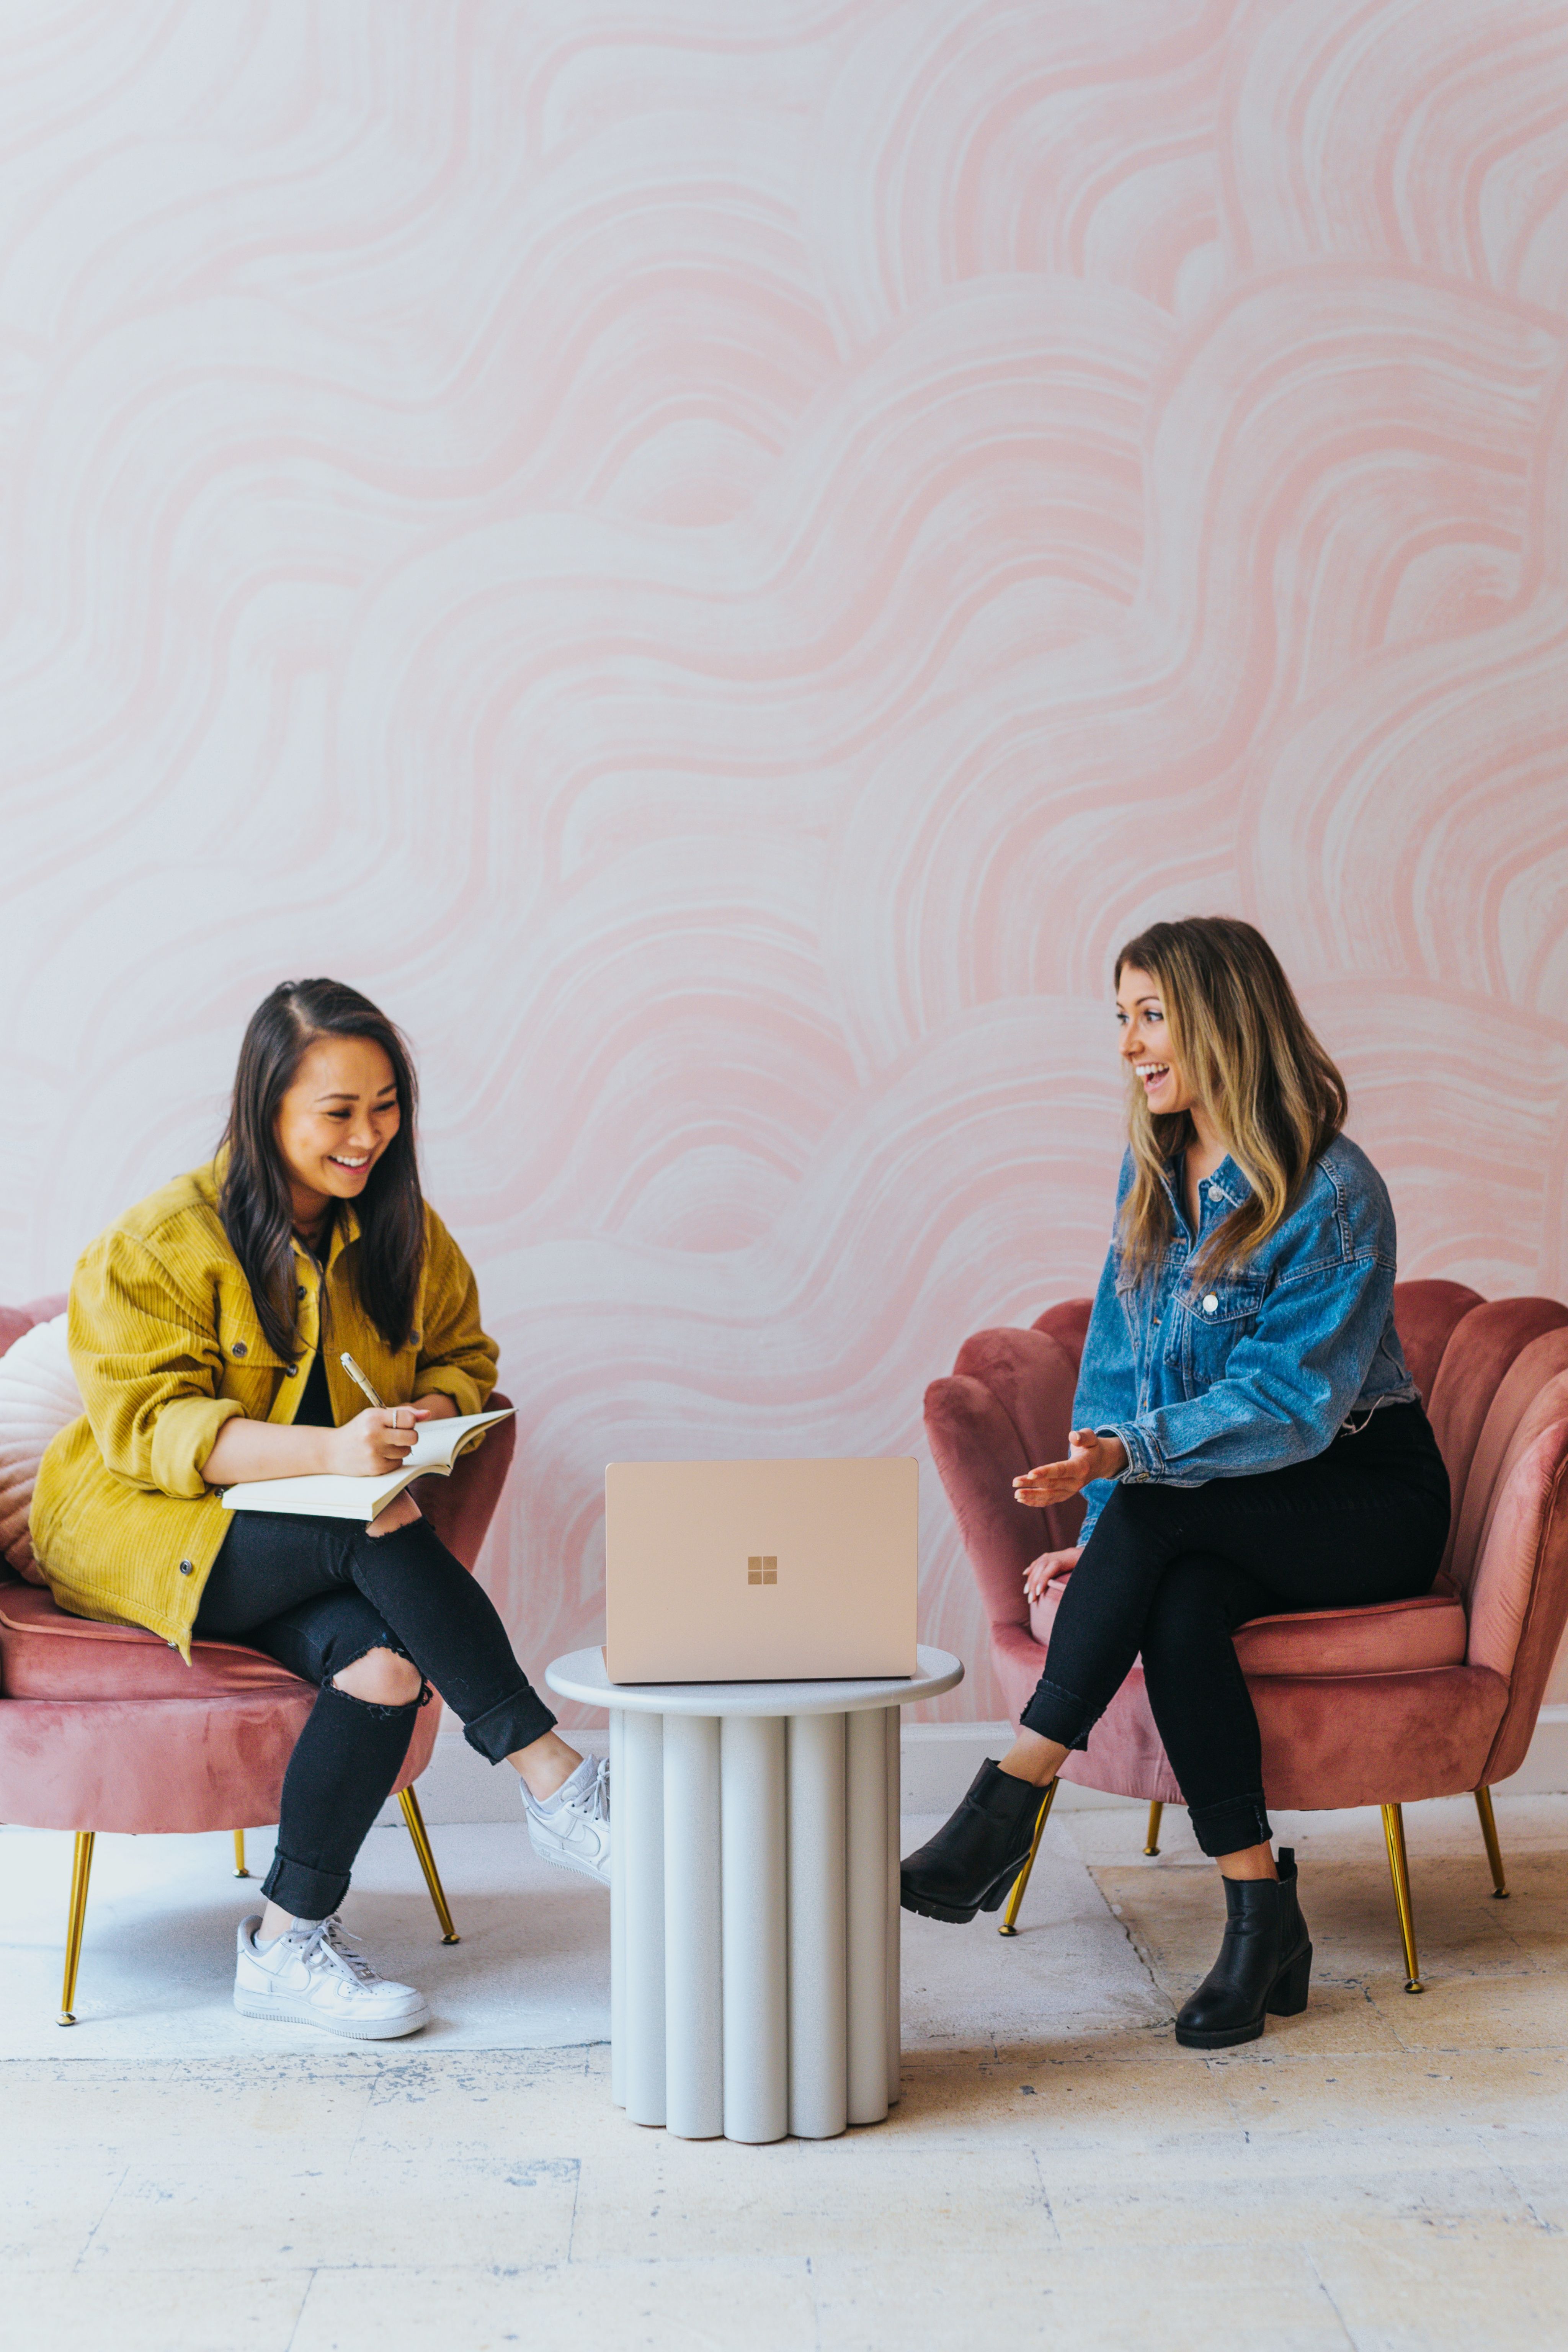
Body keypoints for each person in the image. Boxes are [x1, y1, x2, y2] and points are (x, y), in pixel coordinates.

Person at [900, 917, 1450, 2048]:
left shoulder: (1331, 1189)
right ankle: (1262, 1923)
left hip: (1362, 1498)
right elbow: (1115, 1371)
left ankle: (1009, 1799)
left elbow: (1288, 1407)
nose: (1129, 1045)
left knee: (1155, 1510)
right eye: (1122, 1018)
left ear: (1222, 1020)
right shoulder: (1154, 1170)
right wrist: (1108, 1519)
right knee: (1181, 1600)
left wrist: (1126, 1480)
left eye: (1150, 1015)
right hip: (1219, 1501)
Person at [32, 977, 609, 2041]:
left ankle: (288, 1940)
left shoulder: (399, 1228)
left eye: (385, 1105)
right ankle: (554, 1778)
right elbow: (160, 1433)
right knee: (372, 1519)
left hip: (305, 1544)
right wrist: (335, 1454)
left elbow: (465, 1354)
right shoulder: (158, 1239)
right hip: (142, 1530)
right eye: (337, 1112)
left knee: (384, 1671)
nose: (368, 1135)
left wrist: (436, 1408)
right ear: (267, 1112)